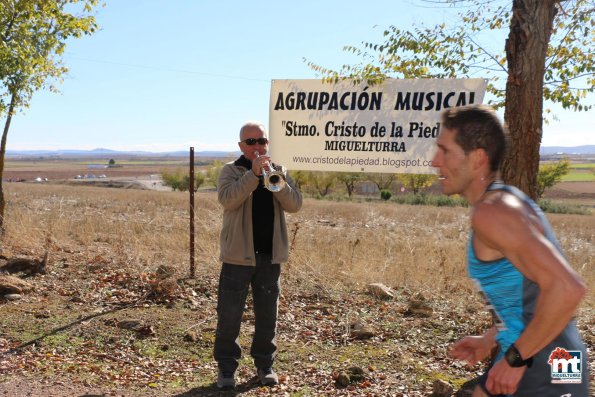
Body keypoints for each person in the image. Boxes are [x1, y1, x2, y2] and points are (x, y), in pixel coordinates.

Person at [431, 105, 589, 396]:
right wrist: (491, 339)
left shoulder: (493, 213)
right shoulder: (508, 201)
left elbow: (568, 288)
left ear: (477, 158)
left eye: (444, 150)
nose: (434, 161)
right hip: (542, 356)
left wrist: (517, 358)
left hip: (544, 365)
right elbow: (530, 295)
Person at [213, 121, 302, 390]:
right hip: (237, 257)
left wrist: (278, 181)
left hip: (269, 257)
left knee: (267, 316)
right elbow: (228, 200)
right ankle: (227, 369)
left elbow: (295, 205)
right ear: (241, 146)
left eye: (261, 141)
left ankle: (265, 365)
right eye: (251, 142)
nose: (257, 147)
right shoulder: (231, 171)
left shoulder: (279, 171)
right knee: (229, 316)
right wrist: (252, 175)